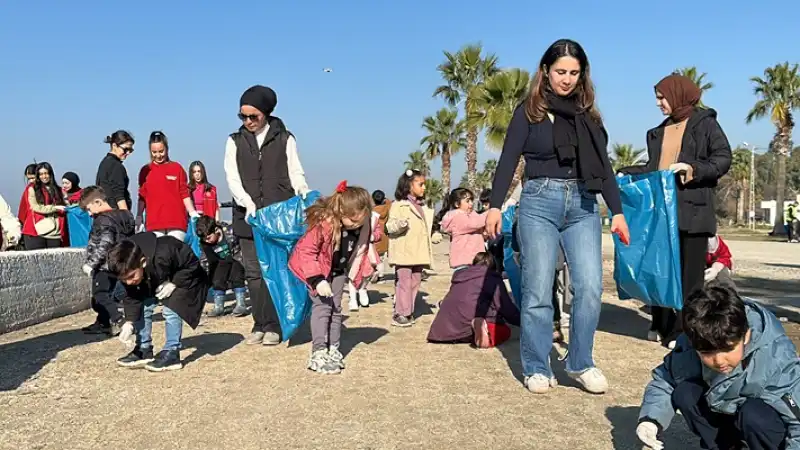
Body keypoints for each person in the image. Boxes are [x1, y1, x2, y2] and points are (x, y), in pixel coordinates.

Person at [484, 39, 630, 394]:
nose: (566, 79)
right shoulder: (529, 111)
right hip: (539, 201)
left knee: (591, 288)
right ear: (546, 72)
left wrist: (618, 212)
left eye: (574, 73)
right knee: (537, 290)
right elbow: (508, 160)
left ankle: (580, 362)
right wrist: (493, 205)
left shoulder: (588, 115)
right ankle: (536, 364)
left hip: (583, 204)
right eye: (560, 71)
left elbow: (605, 166)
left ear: (583, 76)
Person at [619, 73, 732, 349]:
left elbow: (723, 158)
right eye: (657, 98)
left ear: (679, 95)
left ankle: (685, 331)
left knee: (689, 278)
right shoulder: (659, 131)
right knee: (659, 271)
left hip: (692, 214)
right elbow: (654, 168)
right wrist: (625, 173)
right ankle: (660, 322)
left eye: (662, 98)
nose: (659, 103)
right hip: (661, 215)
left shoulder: (705, 124)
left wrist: (693, 170)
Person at [636, 285, 800, 450]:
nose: (719, 360)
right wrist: (651, 420)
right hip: (729, 418)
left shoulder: (777, 358)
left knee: (754, 415)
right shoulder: (697, 339)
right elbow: (666, 379)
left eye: (728, 349)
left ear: (746, 334)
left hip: (766, 430)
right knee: (685, 393)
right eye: (707, 353)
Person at [223, 85, 310, 346]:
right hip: (248, 217)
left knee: (276, 270)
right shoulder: (234, 141)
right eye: (243, 116)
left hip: (277, 218)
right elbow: (232, 177)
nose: (248, 122)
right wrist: (246, 202)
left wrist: (303, 193)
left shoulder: (285, 138)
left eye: (253, 116)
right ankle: (259, 323)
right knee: (254, 273)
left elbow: (296, 172)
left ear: (267, 113)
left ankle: (274, 324)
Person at [288, 182, 375, 374]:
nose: (357, 225)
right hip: (318, 271)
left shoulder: (362, 225)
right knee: (322, 308)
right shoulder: (324, 224)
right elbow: (306, 252)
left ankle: (333, 348)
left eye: (361, 221)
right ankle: (318, 352)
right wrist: (317, 279)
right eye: (353, 221)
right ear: (341, 212)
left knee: (336, 309)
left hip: (338, 270)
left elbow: (361, 249)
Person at [109, 232, 210, 372]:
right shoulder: (127, 263)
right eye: (124, 279)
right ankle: (144, 348)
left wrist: (174, 283)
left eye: (131, 276)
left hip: (186, 277)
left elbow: (192, 264)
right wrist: (129, 322)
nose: (128, 282)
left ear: (143, 262)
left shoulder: (166, 249)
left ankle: (172, 353)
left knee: (171, 308)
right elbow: (132, 297)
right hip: (155, 277)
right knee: (143, 304)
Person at [427, 252, 520, 348]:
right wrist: (523, 322)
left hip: (442, 331)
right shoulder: (492, 278)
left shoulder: (459, 275)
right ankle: (487, 334)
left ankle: (479, 329)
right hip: (469, 323)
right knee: (505, 331)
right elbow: (505, 308)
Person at [78, 186, 135, 335]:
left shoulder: (102, 220)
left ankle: (118, 321)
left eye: (89, 209)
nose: (90, 214)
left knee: (100, 295)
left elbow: (105, 244)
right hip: (122, 261)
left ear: (98, 202)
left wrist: (91, 264)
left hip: (105, 265)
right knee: (111, 294)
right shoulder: (125, 215)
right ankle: (103, 322)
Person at [386, 169, 438, 327]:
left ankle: (408, 310)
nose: (424, 188)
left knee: (415, 281)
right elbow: (389, 226)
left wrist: (434, 235)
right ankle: (402, 313)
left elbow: (426, 228)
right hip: (404, 251)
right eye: (420, 184)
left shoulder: (424, 207)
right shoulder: (398, 205)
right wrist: (400, 225)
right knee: (403, 282)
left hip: (419, 252)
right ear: (408, 185)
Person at [136, 131, 199, 239]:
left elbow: (184, 193)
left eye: (161, 151)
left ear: (167, 149)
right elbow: (142, 196)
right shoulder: (145, 171)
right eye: (154, 152)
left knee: (175, 253)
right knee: (159, 254)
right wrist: (139, 216)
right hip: (154, 224)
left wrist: (192, 212)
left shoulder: (177, 168)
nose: (158, 155)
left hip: (176, 223)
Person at [194, 215, 249, 317]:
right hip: (219, 262)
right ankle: (219, 306)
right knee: (217, 280)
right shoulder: (204, 244)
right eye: (204, 239)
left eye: (209, 237)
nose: (207, 240)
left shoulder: (230, 232)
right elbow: (204, 260)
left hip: (235, 259)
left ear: (216, 230)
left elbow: (241, 246)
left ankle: (241, 304)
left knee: (237, 277)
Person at [21, 162, 67, 250]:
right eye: (41, 174)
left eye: (46, 173)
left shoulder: (58, 190)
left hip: (54, 232)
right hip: (35, 230)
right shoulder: (32, 189)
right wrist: (55, 208)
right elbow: (35, 207)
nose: (44, 176)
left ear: (50, 174)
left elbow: (65, 204)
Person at [439, 188, 487, 270]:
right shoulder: (457, 216)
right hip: (463, 261)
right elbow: (474, 224)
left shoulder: (472, 215)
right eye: (467, 201)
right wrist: (491, 212)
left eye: (472, 200)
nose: (471, 204)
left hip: (474, 259)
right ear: (457, 204)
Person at [96, 130, 134, 211]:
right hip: (115, 214)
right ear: (114, 145)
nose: (128, 153)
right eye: (125, 149)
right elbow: (119, 195)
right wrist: (127, 218)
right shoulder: (116, 166)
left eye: (130, 150)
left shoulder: (105, 162)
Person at [371, 189, 391, 283]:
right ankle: (381, 276)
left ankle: (375, 274)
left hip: (375, 236)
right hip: (385, 237)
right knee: (382, 259)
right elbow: (389, 202)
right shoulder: (387, 208)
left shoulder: (373, 211)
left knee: (374, 258)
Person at [17, 164, 38, 230]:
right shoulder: (28, 189)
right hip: (30, 224)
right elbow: (23, 208)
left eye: (33, 178)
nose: (31, 181)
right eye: (29, 179)